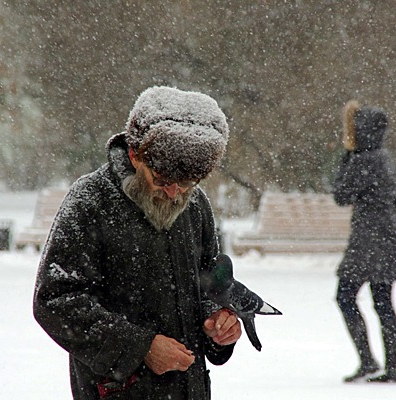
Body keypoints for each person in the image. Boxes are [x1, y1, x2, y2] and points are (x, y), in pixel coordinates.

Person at [33, 86, 242, 399]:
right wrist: (140, 348)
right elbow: (55, 301)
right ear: (135, 154)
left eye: (187, 183)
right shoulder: (90, 201)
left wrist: (218, 325)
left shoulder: (196, 206)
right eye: (162, 179)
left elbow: (208, 289)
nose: (175, 193)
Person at [332, 100, 396, 383]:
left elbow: (341, 194)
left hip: (369, 239)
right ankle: (389, 366)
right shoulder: (382, 156)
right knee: (383, 303)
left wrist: (346, 158)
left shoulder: (364, 159)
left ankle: (370, 362)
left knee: (345, 296)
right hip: (385, 237)